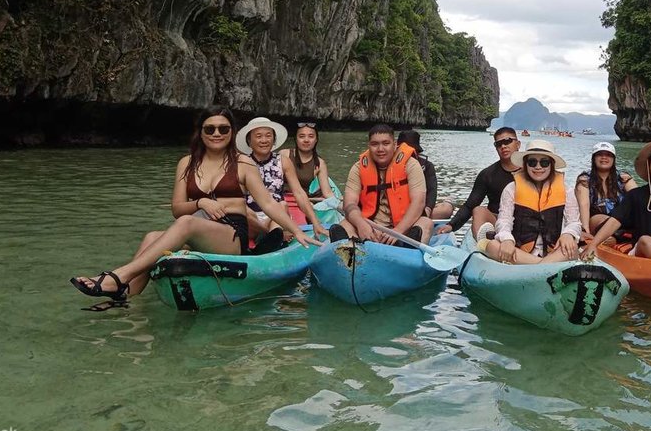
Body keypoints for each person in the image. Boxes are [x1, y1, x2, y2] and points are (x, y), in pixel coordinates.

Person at [70, 107, 320, 302]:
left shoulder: (243, 163)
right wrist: (201, 201)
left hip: (231, 234)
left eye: (223, 129)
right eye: (210, 129)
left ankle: (119, 276)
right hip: (198, 223)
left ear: (231, 132)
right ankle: (126, 297)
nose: (216, 134)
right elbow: (177, 208)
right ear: (200, 132)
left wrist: (297, 231)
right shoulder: (186, 164)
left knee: (187, 223)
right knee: (151, 237)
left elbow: (267, 202)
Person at [481, 139, 582, 264]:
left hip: (553, 252)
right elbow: (504, 220)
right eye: (532, 162)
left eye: (544, 162)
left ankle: (536, 265)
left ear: (552, 165)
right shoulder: (511, 188)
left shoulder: (566, 190)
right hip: (520, 250)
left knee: (572, 249)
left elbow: (574, 223)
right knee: (492, 246)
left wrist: (568, 234)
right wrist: (507, 239)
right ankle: (542, 266)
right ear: (525, 165)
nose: (538, 167)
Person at [331, 124, 433, 244]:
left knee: (426, 223)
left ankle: (405, 249)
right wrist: (361, 224)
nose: (380, 149)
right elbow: (349, 204)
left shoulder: (411, 165)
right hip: (370, 226)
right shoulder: (358, 168)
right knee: (344, 224)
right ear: (369, 146)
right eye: (375, 144)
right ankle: (354, 251)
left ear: (395, 145)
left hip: (403, 228)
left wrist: (398, 231)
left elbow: (419, 202)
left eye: (386, 143)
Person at [436, 127, 521, 239]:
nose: (503, 146)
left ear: (518, 144)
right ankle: (483, 246)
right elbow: (470, 205)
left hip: (525, 221)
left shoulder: (532, 170)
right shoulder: (487, 174)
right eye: (498, 144)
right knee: (478, 210)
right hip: (497, 221)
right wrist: (451, 225)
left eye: (507, 141)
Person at [280, 121, 335, 234]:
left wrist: (341, 205)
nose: (306, 140)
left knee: (300, 225)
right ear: (295, 139)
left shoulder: (319, 163)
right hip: (280, 199)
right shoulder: (284, 154)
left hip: (302, 203)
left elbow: (327, 193)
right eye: (301, 136)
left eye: (311, 136)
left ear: (316, 140)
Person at [575, 142, 637, 241]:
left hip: (621, 219)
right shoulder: (585, 180)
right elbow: (584, 205)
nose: (604, 157)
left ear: (613, 159)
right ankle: (616, 236)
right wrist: (584, 229)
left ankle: (621, 235)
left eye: (608, 155)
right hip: (597, 220)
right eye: (600, 154)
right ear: (593, 158)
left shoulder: (623, 178)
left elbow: (638, 198)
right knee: (604, 220)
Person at [397, 130, 454, 219]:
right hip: (397, 210)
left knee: (446, 210)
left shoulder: (427, 166)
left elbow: (432, 190)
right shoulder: (389, 165)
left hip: (420, 210)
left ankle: (446, 202)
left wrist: (427, 209)